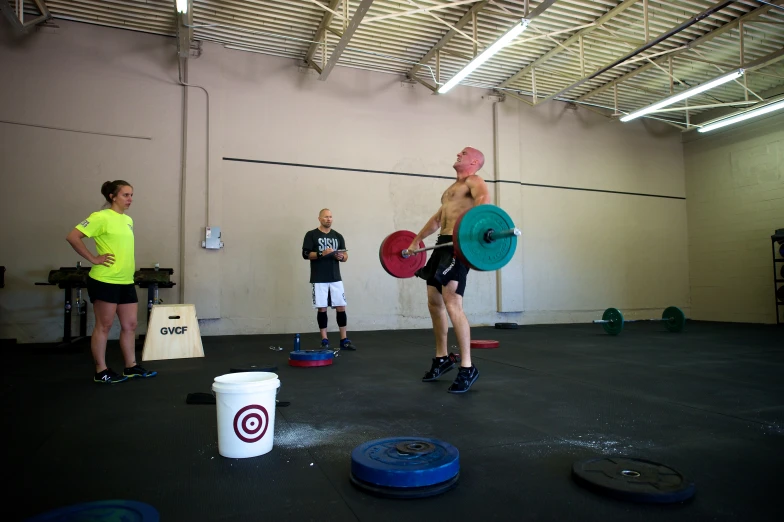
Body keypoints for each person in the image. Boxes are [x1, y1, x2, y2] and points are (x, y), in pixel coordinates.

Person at [406, 147, 490, 394]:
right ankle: (442, 358)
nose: (458, 154)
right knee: (434, 301)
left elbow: (484, 201)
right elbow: (438, 219)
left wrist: (473, 231)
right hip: (441, 245)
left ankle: (467, 366)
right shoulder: (451, 190)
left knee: (452, 302)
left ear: (474, 161)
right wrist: (416, 241)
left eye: (464, 153)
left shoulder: (474, 181)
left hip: (458, 245)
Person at [66, 180, 157, 384]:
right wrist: (93, 258)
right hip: (105, 279)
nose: (130, 199)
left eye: (131, 195)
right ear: (112, 197)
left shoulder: (128, 220)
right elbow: (73, 236)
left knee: (130, 325)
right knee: (104, 326)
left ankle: (131, 366)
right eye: (125, 195)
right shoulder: (100, 217)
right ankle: (101, 370)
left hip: (125, 280)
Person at [301, 209, 355, 351]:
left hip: (335, 277)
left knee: (341, 307)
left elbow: (345, 256)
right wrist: (321, 253)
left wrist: (341, 257)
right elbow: (305, 254)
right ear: (319, 218)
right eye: (326, 217)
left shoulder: (338, 236)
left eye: (330, 217)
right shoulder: (311, 235)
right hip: (319, 278)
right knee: (322, 308)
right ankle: (324, 340)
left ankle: (344, 339)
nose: (329, 219)